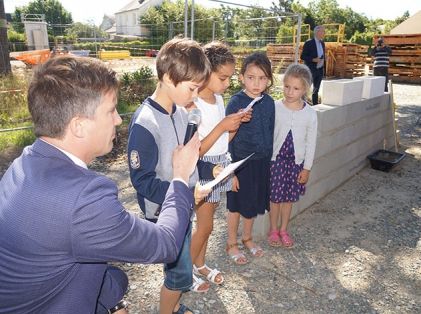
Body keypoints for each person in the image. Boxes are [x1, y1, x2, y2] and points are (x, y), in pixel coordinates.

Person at [0, 55, 202, 313]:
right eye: (111, 110)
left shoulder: (24, 162)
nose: (119, 120)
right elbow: (164, 244)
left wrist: (111, 298)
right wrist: (180, 176)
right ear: (79, 126)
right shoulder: (84, 198)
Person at [127, 37, 215, 314]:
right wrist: (184, 194)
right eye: (192, 88)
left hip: (183, 203)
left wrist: (209, 170)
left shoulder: (180, 112)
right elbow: (142, 180)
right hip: (164, 213)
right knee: (178, 276)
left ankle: (175, 307)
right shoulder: (145, 123)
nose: (196, 94)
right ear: (168, 77)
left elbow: (189, 158)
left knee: (181, 268)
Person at [189, 41, 251, 287]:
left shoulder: (217, 99)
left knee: (207, 225)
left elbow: (223, 142)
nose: (227, 84)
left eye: (229, 79)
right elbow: (197, 150)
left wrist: (234, 125)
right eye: (223, 78)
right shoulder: (194, 105)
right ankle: (180, 275)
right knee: (204, 227)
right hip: (202, 169)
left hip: (218, 168)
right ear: (205, 72)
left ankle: (200, 264)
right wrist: (222, 126)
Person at [225, 52, 275, 265]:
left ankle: (247, 238)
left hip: (261, 162)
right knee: (236, 206)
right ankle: (231, 243)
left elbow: (270, 131)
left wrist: (269, 161)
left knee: (252, 204)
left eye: (262, 78)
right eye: (251, 77)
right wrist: (230, 170)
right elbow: (224, 139)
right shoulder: (236, 102)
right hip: (240, 164)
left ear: (269, 80)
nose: (257, 83)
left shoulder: (270, 102)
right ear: (242, 77)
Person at [268, 63, 318, 248]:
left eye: (296, 88)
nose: (290, 92)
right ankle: (273, 229)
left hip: (295, 164)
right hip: (276, 163)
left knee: (288, 199)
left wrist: (307, 168)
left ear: (304, 89)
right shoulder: (274, 107)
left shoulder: (310, 114)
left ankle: (283, 230)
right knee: (275, 198)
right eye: (287, 86)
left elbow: (311, 142)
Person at [300, 25, 326, 105]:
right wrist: (313, 59)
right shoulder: (309, 43)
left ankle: (315, 106)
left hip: (319, 70)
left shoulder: (322, 43)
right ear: (317, 32)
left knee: (316, 90)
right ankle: (301, 105)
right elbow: (303, 56)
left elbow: (321, 55)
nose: (324, 33)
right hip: (311, 70)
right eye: (323, 31)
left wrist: (324, 58)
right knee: (306, 89)